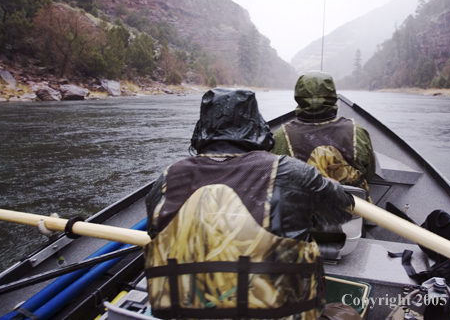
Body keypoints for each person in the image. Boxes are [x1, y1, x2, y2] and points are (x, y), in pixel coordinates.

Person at [144, 87, 361, 320]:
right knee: (345, 314)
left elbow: (156, 235)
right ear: (256, 124)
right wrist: (325, 187)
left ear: (202, 127)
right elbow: (342, 211)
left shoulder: (165, 179)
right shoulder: (293, 172)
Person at [271, 71, 376, 195]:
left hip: (301, 211)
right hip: (352, 211)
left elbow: (275, 179)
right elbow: (369, 174)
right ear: (332, 96)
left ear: (299, 96)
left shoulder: (281, 135)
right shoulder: (357, 131)